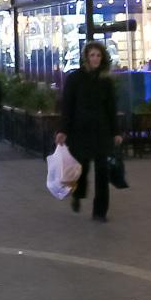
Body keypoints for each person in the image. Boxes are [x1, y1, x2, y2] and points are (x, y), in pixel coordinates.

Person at [56, 41, 122, 222]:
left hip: (101, 131)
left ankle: (100, 212)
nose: (95, 59)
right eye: (92, 55)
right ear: (86, 57)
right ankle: (77, 195)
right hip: (80, 132)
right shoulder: (75, 79)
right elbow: (67, 106)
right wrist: (63, 130)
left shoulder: (105, 81)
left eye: (98, 55)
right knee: (81, 169)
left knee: (102, 172)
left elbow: (111, 108)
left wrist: (116, 132)